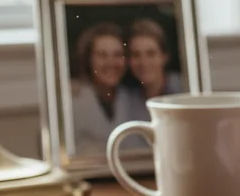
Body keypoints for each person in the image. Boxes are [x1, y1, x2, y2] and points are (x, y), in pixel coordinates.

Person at [69, 22, 144, 157]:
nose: (111, 63)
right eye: (102, 55)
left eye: (117, 55)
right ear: (88, 59)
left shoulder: (132, 99)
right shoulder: (73, 99)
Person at [127, 18, 183, 111]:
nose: (143, 62)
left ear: (165, 56)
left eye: (151, 54)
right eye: (136, 55)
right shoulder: (128, 100)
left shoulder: (184, 87)